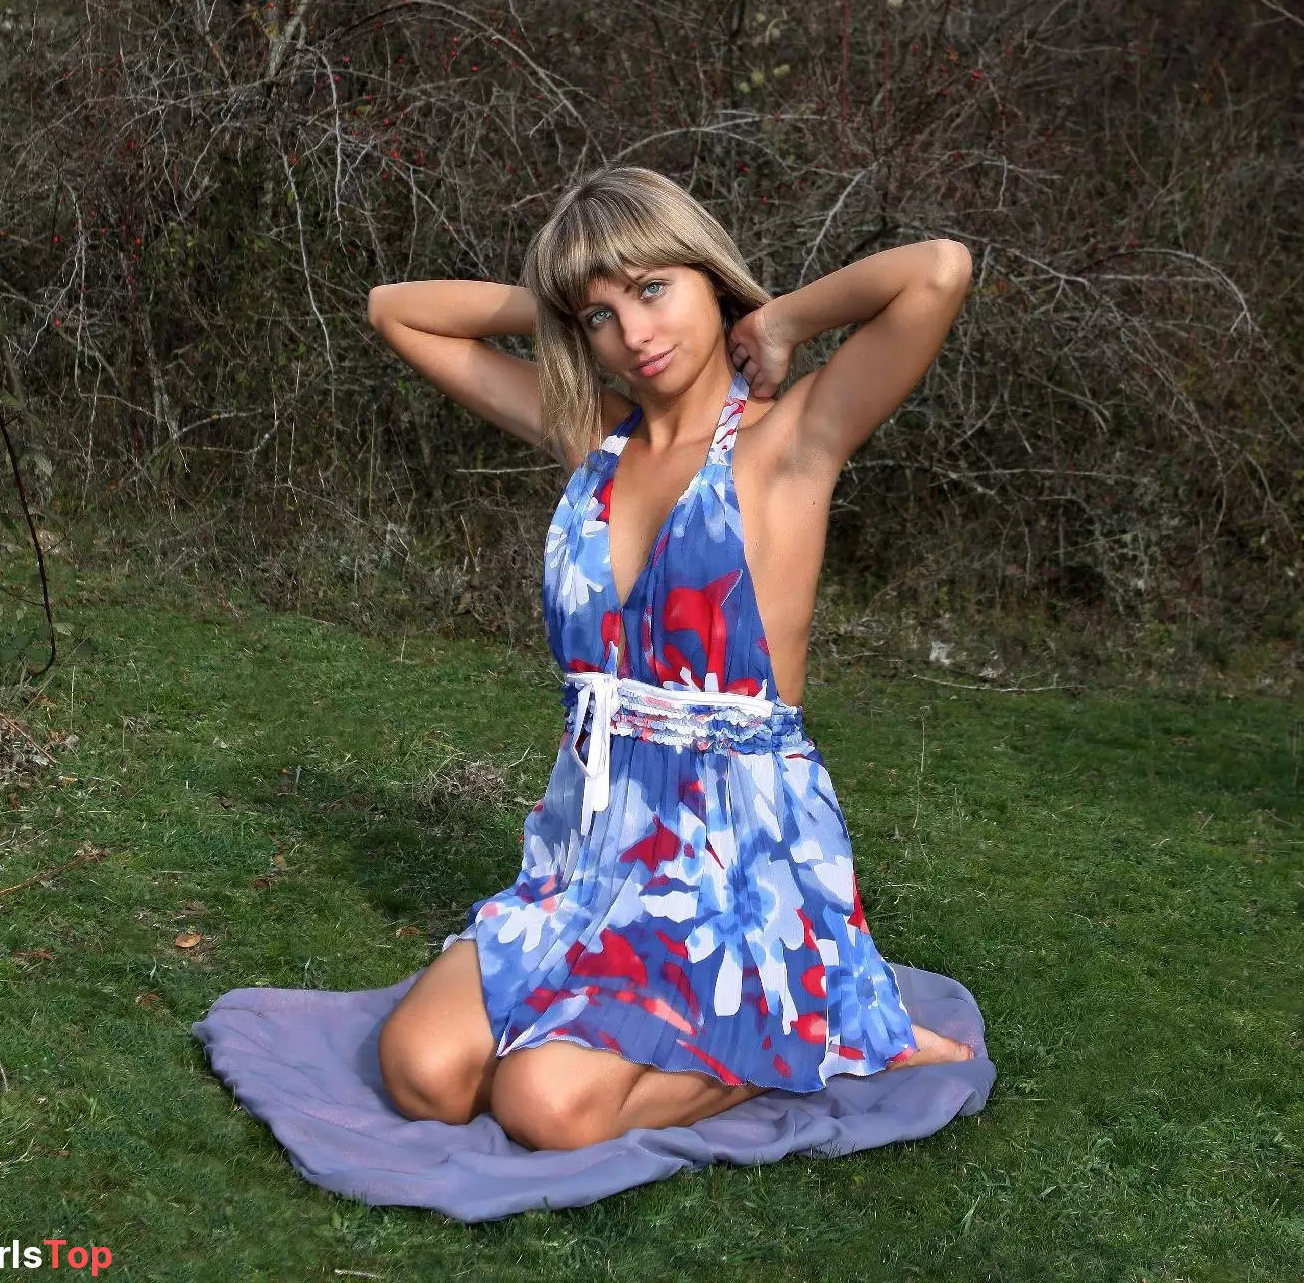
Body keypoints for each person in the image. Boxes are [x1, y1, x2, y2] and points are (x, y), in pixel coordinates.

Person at [366, 166, 976, 1154]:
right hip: (585, 856)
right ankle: (751, 1025)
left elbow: (937, 270)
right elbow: (396, 310)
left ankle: (812, 1028)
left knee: (542, 1107)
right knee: (422, 1074)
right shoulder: (591, 439)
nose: (634, 333)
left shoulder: (788, 439)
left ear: (710, 278)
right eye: (600, 317)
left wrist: (778, 320)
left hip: (735, 865)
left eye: (653, 288)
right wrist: (560, 304)